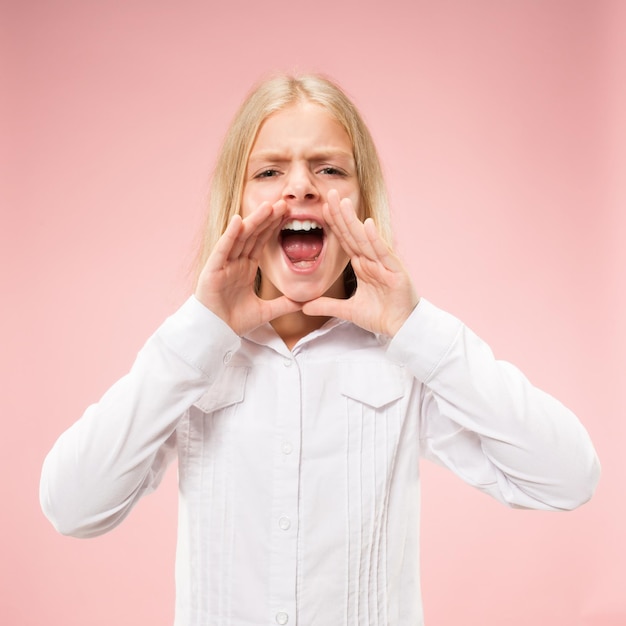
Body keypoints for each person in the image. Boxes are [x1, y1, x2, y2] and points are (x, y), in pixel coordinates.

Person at [40, 74, 600, 626]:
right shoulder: (193, 360)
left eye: (329, 169)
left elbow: (567, 477)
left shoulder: (404, 358)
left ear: (363, 200)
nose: (300, 186)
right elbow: (72, 507)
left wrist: (415, 326)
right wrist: (197, 334)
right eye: (268, 171)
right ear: (235, 200)